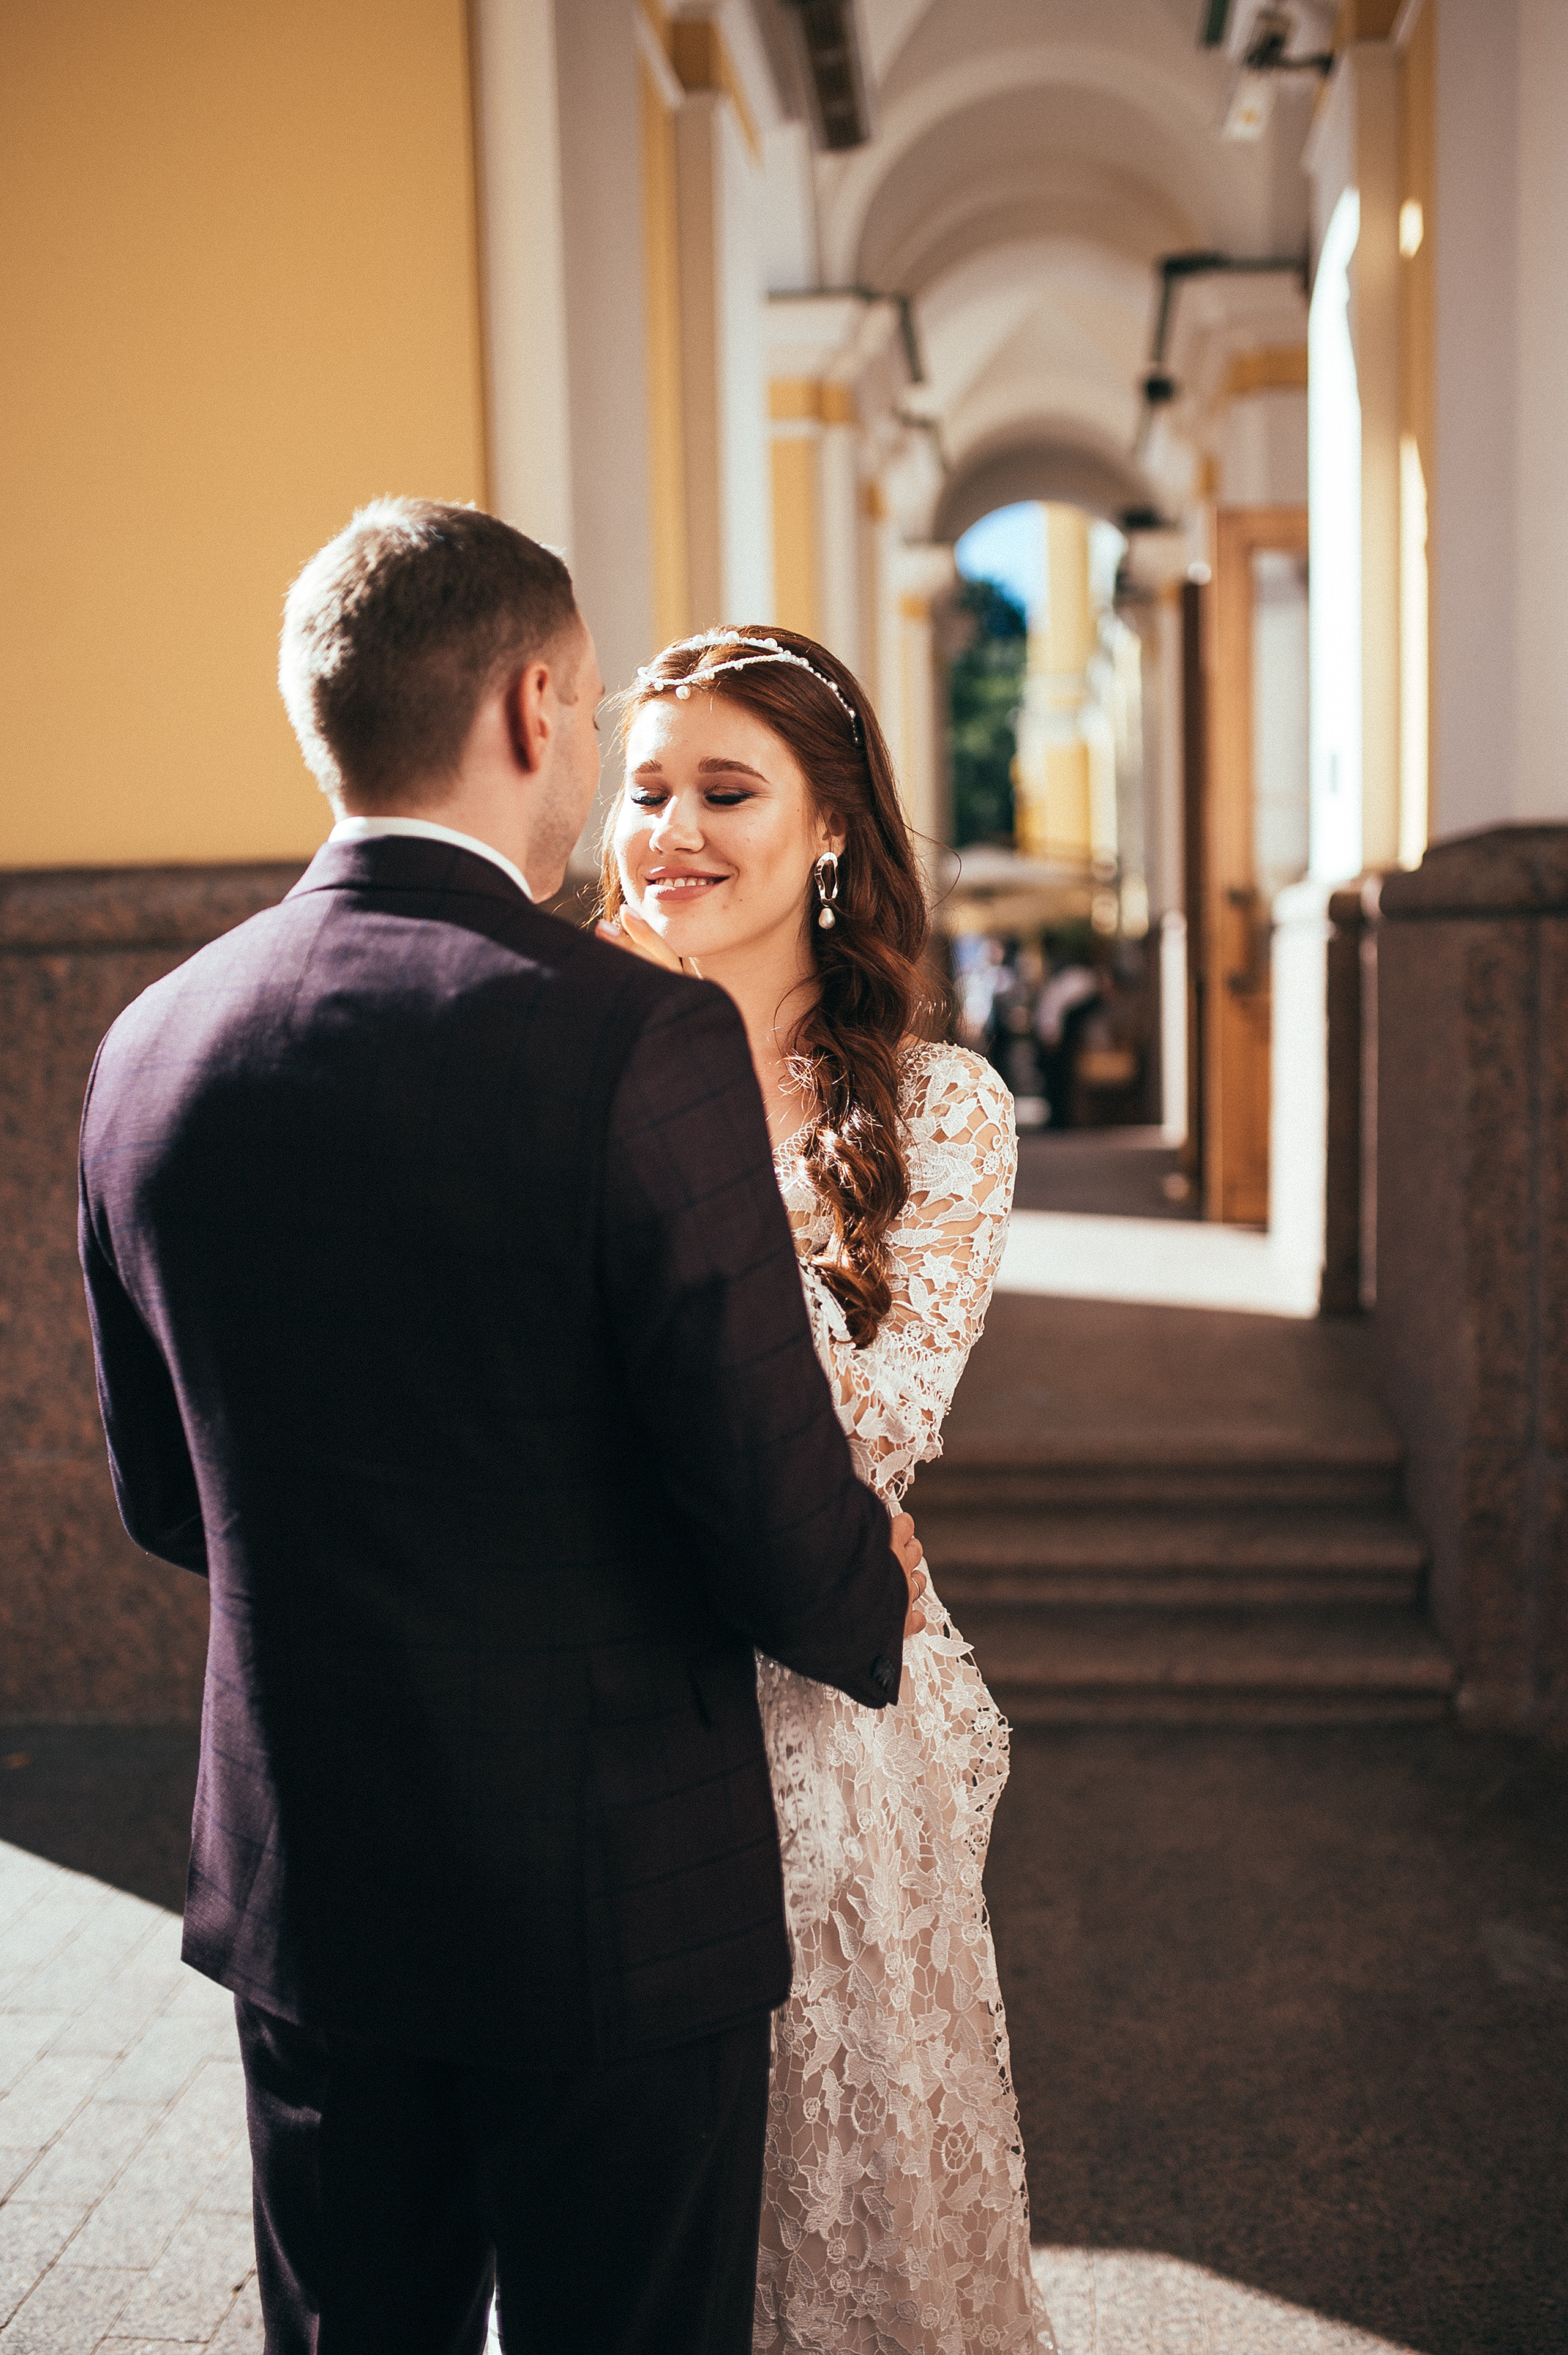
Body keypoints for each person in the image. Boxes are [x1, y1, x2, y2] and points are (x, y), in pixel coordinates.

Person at [77, 503, 927, 2355]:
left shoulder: (149, 1041)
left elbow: (163, 1491)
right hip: (611, 1892)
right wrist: (869, 1611)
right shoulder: (634, 1040)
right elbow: (761, 1479)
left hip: (313, 1880)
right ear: (540, 706)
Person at [597, 626, 1057, 2354]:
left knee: (851, 2206)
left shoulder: (943, 1109)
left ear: (832, 830)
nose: (671, 832)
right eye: (645, 791)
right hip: (610, 1697)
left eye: (726, 789)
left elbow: (867, 1424)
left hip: (826, 1717)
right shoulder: (559, 1070)